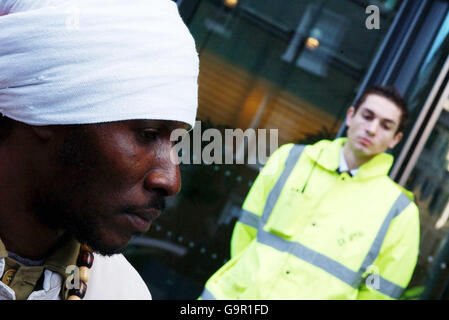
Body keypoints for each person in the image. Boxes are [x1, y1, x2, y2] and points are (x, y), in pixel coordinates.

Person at [0, 0, 199, 300]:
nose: (171, 181)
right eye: (146, 134)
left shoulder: (125, 294)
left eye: (175, 142)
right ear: (46, 109)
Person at [201, 85, 420, 300]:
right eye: (367, 116)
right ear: (351, 116)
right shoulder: (289, 159)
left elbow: (379, 291)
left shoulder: (399, 212)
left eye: (385, 126)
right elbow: (246, 231)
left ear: (395, 139)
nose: (372, 129)